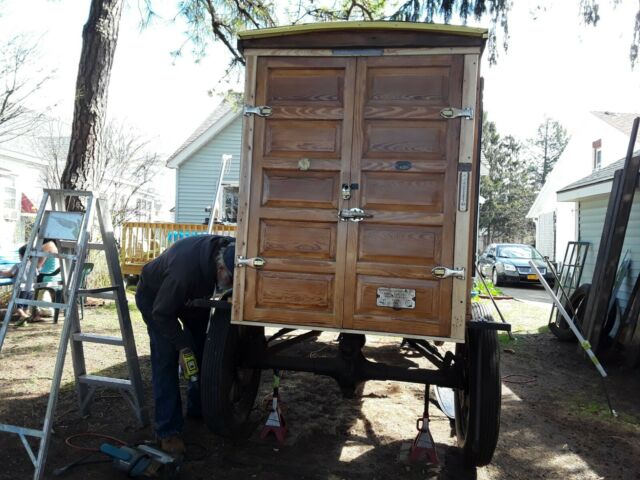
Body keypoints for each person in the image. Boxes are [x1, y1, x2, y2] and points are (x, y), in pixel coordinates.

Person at [135, 234, 235, 455]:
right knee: (166, 357)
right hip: (156, 300)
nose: (230, 286)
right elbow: (161, 313)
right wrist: (182, 345)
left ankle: (198, 408)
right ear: (220, 269)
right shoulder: (183, 273)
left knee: (201, 350)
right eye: (230, 280)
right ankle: (167, 431)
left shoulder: (230, 250)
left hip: (192, 297)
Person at [0, 245, 32, 322]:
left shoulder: (18, 265)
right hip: (31, 289)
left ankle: (24, 316)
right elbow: (36, 275)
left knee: (18, 307)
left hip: (21, 289)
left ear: (21, 255)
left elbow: (9, 274)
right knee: (25, 306)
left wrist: (1, 272)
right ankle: (25, 318)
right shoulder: (33, 265)